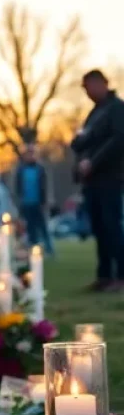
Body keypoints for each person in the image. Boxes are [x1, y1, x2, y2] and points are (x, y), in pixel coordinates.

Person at [71, 69, 124, 289]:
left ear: (101, 84)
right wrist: (82, 160)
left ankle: (120, 274)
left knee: (112, 225)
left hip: (110, 176)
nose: (88, 93)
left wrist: (94, 162)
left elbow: (118, 139)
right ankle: (104, 275)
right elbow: (81, 142)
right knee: (99, 227)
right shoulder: (94, 114)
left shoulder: (116, 109)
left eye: (89, 87)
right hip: (92, 180)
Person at [15, 143, 54, 257]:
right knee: (31, 229)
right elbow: (17, 188)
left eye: (32, 153)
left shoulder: (40, 169)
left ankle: (49, 250)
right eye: (28, 153)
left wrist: (46, 201)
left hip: (39, 203)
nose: (30, 156)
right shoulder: (20, 170)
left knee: (43, 227)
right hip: (26, 203)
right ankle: (34, 250)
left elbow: (46, 186)